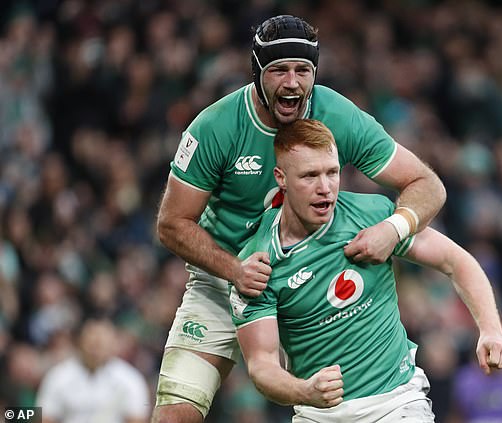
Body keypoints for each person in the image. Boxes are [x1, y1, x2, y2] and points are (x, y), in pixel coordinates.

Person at [154, 14, 446, 422]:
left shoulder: (336, 114)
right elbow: (171, 223)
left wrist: (392, 228)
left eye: (302, 70)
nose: (292, 83)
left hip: (309, 283)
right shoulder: (214, 127)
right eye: (278, 70)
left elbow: (425, 184)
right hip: (223, 282)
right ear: (257, 73)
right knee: (176, 413)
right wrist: (234, 269)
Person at [230, 119, 502, 422]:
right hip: (319, 414)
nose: (325, 188)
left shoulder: (372, 217)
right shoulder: (257, 262)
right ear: (281, 178)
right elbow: (261, 366)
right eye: (310, 176)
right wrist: (305, 391)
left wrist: (491, 330)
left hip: (398, 403)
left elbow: (456, 261)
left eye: (332, 172)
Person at [36, 318, 150, 423]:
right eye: (91, 341)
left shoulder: (130, 379)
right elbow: (44, 417)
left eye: (101, 342)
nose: (96, 347)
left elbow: (137, 419)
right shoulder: (58, 376)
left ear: (113, 342)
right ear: (79, 341)